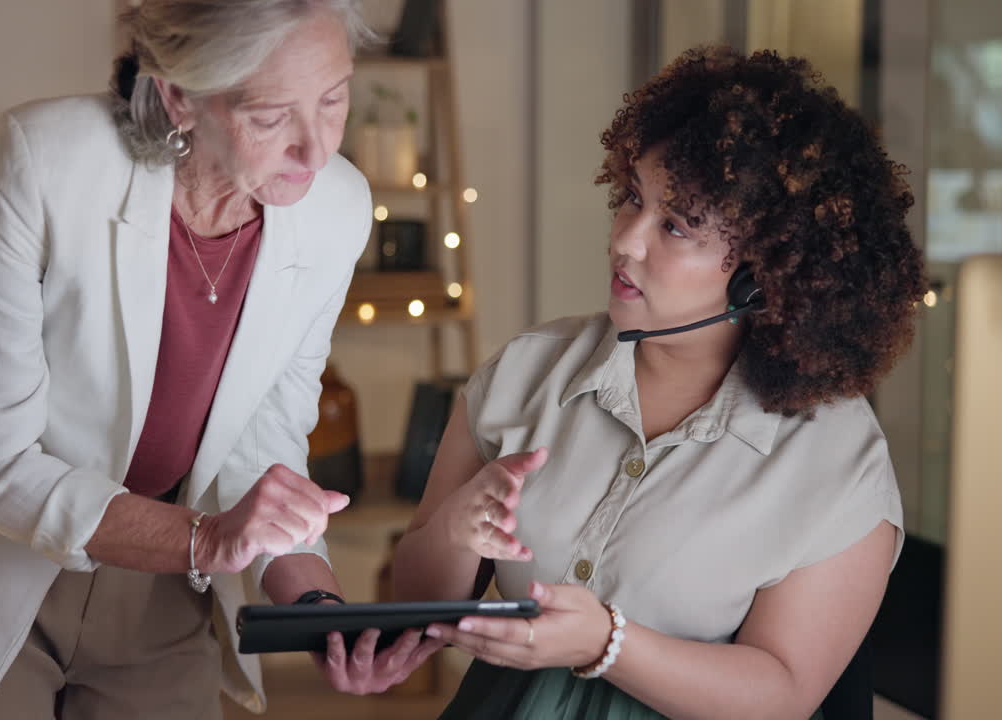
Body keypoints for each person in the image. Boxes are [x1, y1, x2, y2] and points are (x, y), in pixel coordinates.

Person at [0, 2, 441, 719]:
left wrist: (317, 610)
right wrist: (207, 538)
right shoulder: (46, 158)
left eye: (335, 99)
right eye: (273, 117)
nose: (317, 149)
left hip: (165, 581)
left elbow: (265, 443)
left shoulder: (336, 207)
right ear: (180, 96)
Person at [392, 46, 926, 719]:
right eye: (632, 200)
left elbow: (784, 693)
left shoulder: (837, 460)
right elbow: (412, 604)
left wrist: (607, 643)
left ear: (762, 275)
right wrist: (454, 532)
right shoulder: (527, 372)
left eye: (675, 226)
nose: (627, 240)